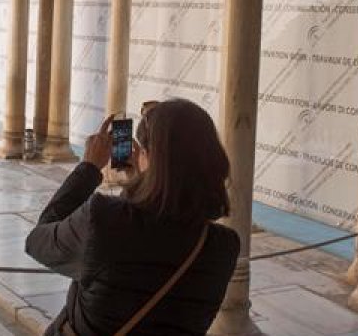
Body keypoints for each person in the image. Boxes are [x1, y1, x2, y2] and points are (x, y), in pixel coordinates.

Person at [24, 99, 239, 335]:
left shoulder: (104, 219)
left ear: (146, 157)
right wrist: (141, 183)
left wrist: (89, 167)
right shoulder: (224, 246)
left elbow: (38, 242)